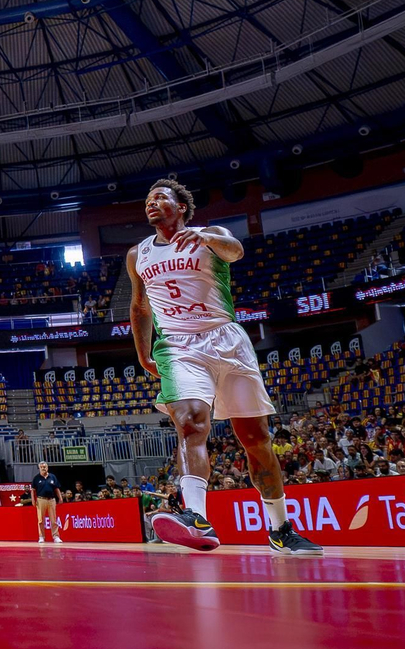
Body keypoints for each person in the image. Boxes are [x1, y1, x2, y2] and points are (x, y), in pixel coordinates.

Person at [127, 179, 320, 555]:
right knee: (191, 421)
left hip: (226, 338)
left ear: (181, 206)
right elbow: (140, 306)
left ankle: (280, 528)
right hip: (178, 346)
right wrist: (142, 352)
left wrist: (205, 238)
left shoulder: (209, 235)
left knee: (256, 440)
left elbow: (235, 251)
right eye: (148, 199)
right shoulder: (139, 254)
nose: (152, 203)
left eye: (161, 197)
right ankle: (195, 516)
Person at [31, 460, 63, 544]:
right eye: (41, 467)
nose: (43, 468)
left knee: (54, 520)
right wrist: (33, 500)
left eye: (44, 467)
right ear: (39, 468)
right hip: (41, 499)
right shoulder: (36, 478)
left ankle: (56, 536)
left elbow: (56, 489)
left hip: (51, 500)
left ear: (47, 467)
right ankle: (41, 537)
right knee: (41, 520)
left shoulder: (52, 477)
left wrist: (60, 498)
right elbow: (33, 490)